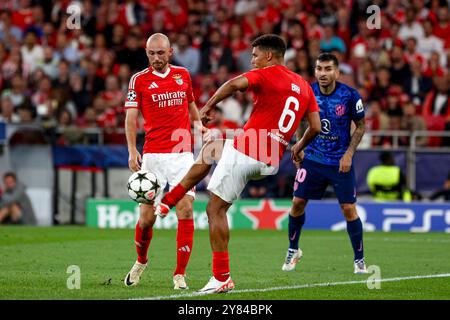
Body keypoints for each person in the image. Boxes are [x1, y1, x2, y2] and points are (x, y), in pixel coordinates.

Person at [155, 34, 321, 293]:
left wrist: (208, 107)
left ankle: (221, 277)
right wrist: (298, 147)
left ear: (268, 55)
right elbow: (316, 127)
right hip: (270, 159)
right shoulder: (304, 86)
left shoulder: (266, 74)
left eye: (254, 55)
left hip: (249, 152)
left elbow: (233, 84)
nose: (251, 60)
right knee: (213, 148)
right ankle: (170, 200)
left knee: (215, 210)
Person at [123, 33, 210, 290]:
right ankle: (141, 261)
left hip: (182, 155)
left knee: (184, 208)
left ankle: (179, 274)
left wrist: (199, 127)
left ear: (170, 52)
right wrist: (131, 150)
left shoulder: (183, 75)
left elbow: (191, 103)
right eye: (151, 54)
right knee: (147, 219)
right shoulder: (138, 80)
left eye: (160, 53)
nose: (156, 58)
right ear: (146, 53)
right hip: (152, 156)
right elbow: (131, 118)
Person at [282, 53, 368, 275]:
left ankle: (359, 260)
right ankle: (293, 250)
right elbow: (302, 121)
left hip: (340, 161)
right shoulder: (307, 92)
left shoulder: (349, 95)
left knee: (348, 209)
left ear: (337, 73)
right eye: (319, 68)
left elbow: (360, 125)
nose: (323, 73)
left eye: (328, 69)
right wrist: (299, 147)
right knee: (297, 203)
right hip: (313, 159)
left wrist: (349, 154)